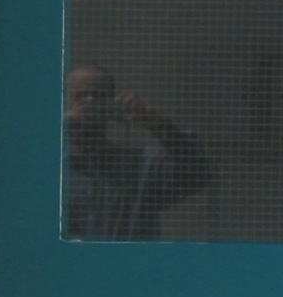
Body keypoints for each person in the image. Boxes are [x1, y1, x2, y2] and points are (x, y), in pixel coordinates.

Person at [63, 64, 212, 239]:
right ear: (65, 102)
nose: (90, 103)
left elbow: (197, 171)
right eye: (81, 96)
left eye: (99, 97)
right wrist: (62, 125)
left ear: (111, 104)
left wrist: (158, 124)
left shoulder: (141, 165)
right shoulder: (48, 166)